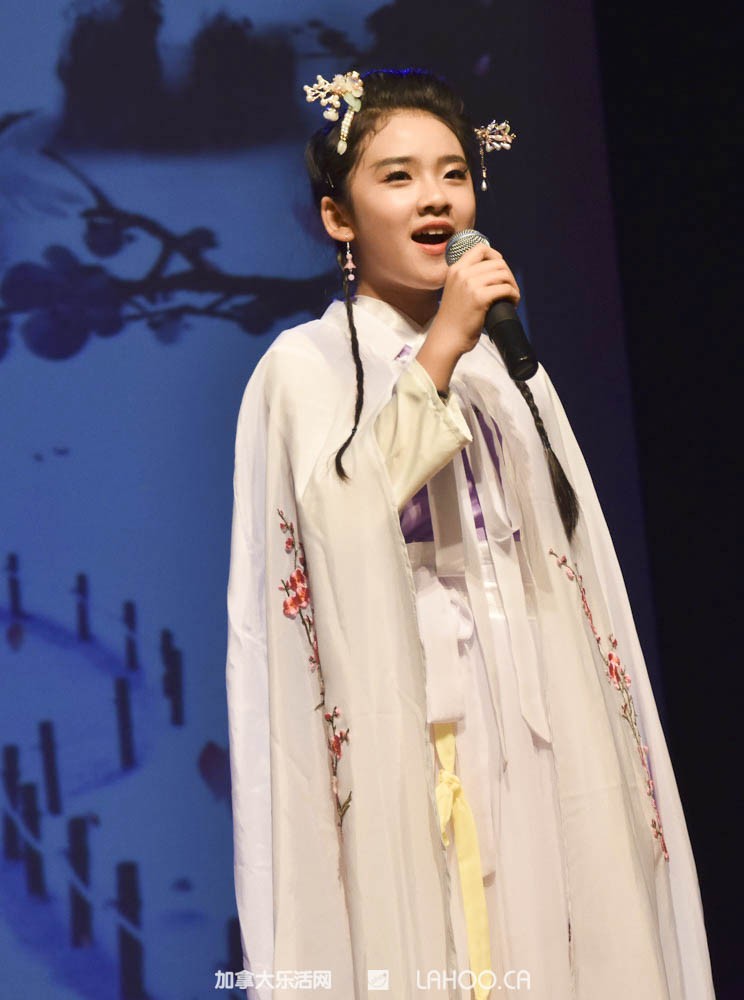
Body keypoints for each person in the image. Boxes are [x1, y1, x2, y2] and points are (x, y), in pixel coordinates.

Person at [225, 67, 715, 1000]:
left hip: (542, 731)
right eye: (398, 176)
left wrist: (464, 348)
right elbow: (337, 526)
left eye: (454, 173)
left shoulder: (504, 367)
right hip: (422, 743)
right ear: (338, 218)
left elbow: (564, 562)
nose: (437, 197)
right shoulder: (306, 366)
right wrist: (440, 351)